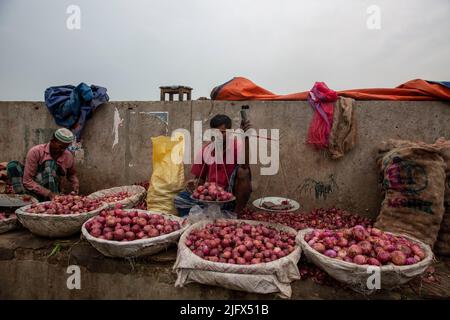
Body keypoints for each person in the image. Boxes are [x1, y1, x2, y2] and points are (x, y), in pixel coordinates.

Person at [175, 114, 252, 215]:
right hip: (211, 195)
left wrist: (245, 138)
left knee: (243, 172)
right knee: (180, 199)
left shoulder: (238, 145)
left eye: (222, 132)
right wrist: (195, 184)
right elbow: (200, 179)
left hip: (230, 196)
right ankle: (215, 212)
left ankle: (236, 214)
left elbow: (245, 166)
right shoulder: (205, 150)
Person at [6, 128, 79, 201]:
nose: (62, 150)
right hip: (33, 188)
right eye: (60, 147)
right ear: (52, 141)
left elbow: (71, 174)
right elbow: (27, 181)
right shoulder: (35, 151)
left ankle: (53, 202)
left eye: (65, 148)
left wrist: (75, 183)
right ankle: (24, 200)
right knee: (13, 166)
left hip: (53, 191)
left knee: (50, 164)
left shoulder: (68, 155)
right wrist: (48, 193)